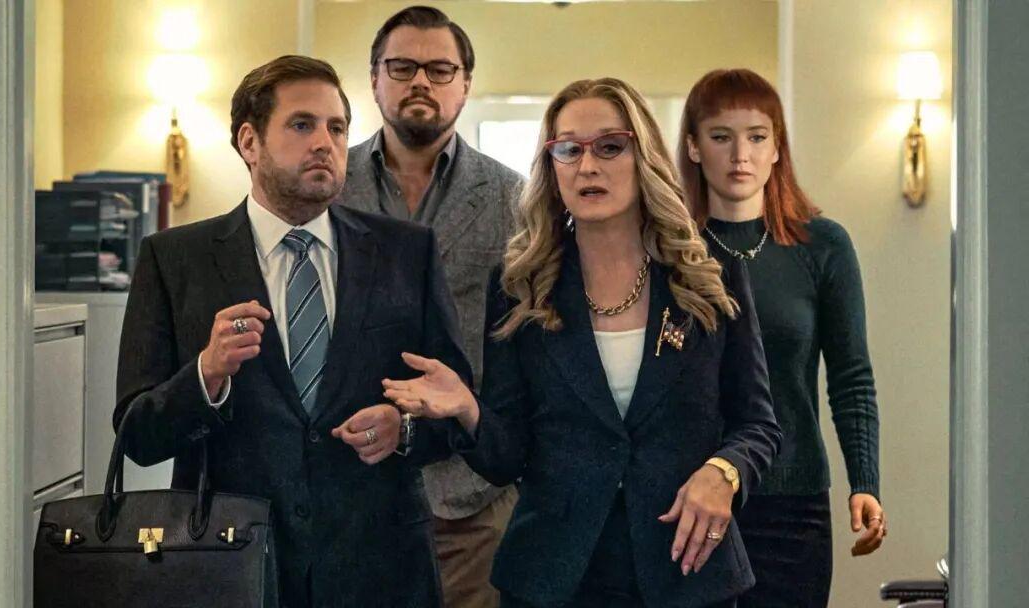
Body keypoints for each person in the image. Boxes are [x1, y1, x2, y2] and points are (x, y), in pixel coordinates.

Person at [380, 77, 782, 608]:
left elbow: (758, 424)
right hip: (554, 575)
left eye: (610, 147)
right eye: (568, 149)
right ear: (552, 167)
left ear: (644, 157)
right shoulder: (520, 287)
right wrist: (467, 410)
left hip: (686, 569)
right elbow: (508, 458)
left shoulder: (710, 275)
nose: (587, 165)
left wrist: (724, 472)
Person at [114, 55, 472, 608]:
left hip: (380, 569)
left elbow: (454, 408)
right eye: (302, 125)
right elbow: (137, 436)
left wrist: (402, 428)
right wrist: (206, 374)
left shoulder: (407, 252)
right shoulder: (174, 259)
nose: (325, 143)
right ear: (250, 142)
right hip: (231, 568)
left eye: (337, 128)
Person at [334, 6, 524, 607]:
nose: (421, 81)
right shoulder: (329, 187)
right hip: (347, 488)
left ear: (465, 84)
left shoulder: (514, 197)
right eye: (403, 67)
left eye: (440, 70)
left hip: (470, 497)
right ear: (374, 79)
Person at [678, 68, 885, 608]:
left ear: (776, 149)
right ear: (694, 147)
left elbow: (851, 376)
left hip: (794, 503)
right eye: (721, 136)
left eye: (756, 137)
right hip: (691, 496)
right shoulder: (670, 250)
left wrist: (864, 481)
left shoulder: (822, 245)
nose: (740, 155)